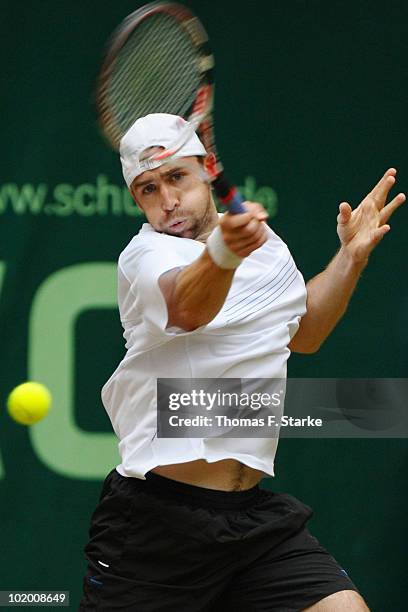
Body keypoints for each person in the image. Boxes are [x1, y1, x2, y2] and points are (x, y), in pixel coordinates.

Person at [80, 113, 405, 611]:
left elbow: (307, 331)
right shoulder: (144, 257)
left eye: (176, 178)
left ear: (208, 168)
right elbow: (188, 308)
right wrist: (224, 252)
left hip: (251, 521)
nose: (166, 201)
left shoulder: (267, 249)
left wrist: (349, 257)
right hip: (157, 529)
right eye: (147, 190)